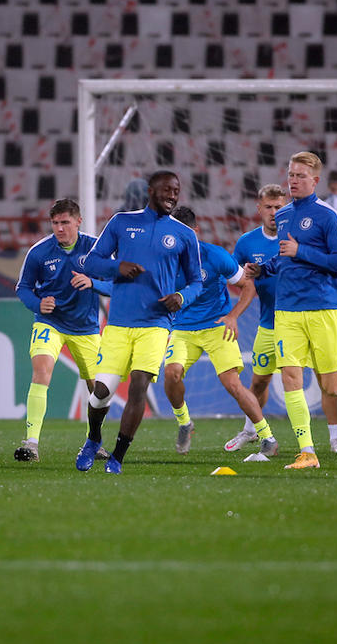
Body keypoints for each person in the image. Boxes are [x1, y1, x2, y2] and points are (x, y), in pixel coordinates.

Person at [245, 152, 337, 471]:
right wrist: (264, 268)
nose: (293, 180)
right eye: (291, 174)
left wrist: (301, 251)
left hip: (322, 308)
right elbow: (285, 259)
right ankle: (307, 452)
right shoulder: (282, 216)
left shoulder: (328, 215)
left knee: (331, 386)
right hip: (287, 311)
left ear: (315, 180)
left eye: (300, 176)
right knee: (291, 377)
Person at [77, 170, 203, 474]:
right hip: (119, 323)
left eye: (176, 191)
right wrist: (117, 267)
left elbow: (197, 281)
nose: (173, 195)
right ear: (150, 191)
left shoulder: (184, 234)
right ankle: (93, 438)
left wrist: (182, 297)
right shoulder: (121, 222)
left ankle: (118, 457)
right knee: (102, 392)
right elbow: (92, 262)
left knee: (138, 386)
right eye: (167, 190)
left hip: (157, 323)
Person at [226, 184, 337, 455]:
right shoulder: (246, 242)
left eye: (279, 207)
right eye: (269, 207)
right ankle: (253, 430)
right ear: (259, 208)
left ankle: (335, 438)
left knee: (326, 381)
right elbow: (239, 277)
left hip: (307, 314)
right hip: (270, 322)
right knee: (259, 381)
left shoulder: (299, 232)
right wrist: (250, 277)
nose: (274, 212)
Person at [162, 205, 276, 457]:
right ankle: (184, 422)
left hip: (216, 326)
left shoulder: (215, 256)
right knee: (171, 374)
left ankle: (267, 436)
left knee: (232, 384)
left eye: (185, 234)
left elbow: (248, 286)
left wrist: (233, 316)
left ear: (196, 231)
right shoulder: (166, 260)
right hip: (182, 329)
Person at [14, 198, 113, 462]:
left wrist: (93, 283)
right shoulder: (39, 252)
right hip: (51, 323)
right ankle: (31, 444)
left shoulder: (96, 249)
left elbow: (118, 283)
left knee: (99, 388)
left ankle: (94, 442)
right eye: (55, 223)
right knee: (41, 372)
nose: (59, 228)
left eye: (65, 222)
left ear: (78, 221)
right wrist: (38, 303)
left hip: (86, 328)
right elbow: (23, 288)